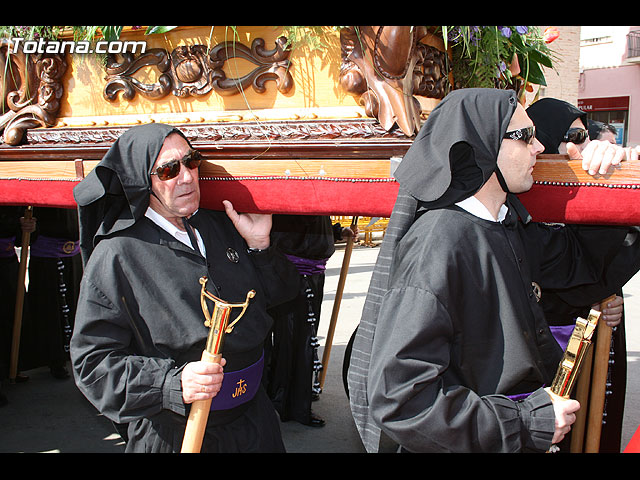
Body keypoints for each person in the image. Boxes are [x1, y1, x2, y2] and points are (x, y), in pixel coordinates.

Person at [347, 88, 640, 453]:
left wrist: (613, 176)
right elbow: (401, 398)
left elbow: (586, 266)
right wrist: (525, 422)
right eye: (525, 136)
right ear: (482, 142)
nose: (538, 148)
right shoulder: (439, 244)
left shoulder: (506, 223)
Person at [70, 123, 300, 453]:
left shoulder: (223, 224)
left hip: (255, 425)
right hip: (178, 434)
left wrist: (259, 246)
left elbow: (281, 297)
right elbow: (93, 366)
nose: (188, 176)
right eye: (168, 169)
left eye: (192, 161)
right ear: (142, 182)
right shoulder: (118, 254)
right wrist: (170, 383)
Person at [527, 98, 637, 452]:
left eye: (587, 133)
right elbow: (577, 266)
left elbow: (601, 268)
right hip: (534, 364)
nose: (586, 144)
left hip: (585, 347)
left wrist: (622, 177)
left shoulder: (577, 191)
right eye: (575, 135)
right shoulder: (515, 205)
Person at [264, 215, 356, 427]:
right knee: (296, 340)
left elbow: (314, 219)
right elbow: (295, 220)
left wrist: (335, 231)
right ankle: (291, 404)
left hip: (310, 272)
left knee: (304, 337)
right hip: (294, 275)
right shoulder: (296, 187)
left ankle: (298, 394)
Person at [20, 207, 82, 380]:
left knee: (76, 304)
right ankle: (53, 358)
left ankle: (76, 353)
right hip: (47, 255)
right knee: (49, 310)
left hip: (74, 255)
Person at [0, 207, 35, 405]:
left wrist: (26, 227)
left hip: (7, 264)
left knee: (12, 316)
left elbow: (19, 237)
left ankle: (10, 369)